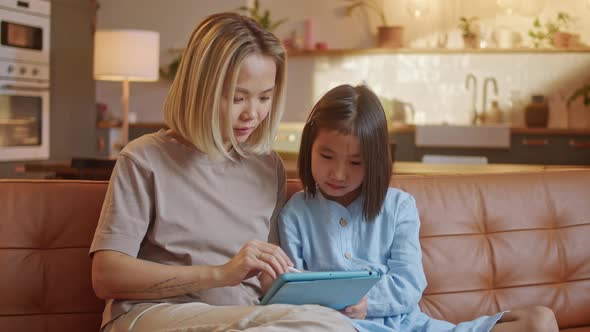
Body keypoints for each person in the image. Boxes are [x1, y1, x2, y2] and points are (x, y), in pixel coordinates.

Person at [90, 13, 361, 332]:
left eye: (265, 97)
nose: (253, 113)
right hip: (152, 315)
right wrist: (221, 273)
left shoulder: (266, 165)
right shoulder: (144, 158)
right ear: (199, 88)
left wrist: (326, 297)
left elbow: (267, 274)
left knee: (334, 323)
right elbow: (106, 277)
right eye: (237, 98)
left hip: (240, 319)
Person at [278, 84, 559, 332]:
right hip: (339, 327)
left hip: (411, 326)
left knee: (540, 320)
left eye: (355, 162)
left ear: (376, 160)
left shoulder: (399, 206)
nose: (338, 174)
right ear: (309, 148)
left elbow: (409, 284)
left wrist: (367, 301)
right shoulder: (296, 213)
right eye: (327, 156)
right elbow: (294, 291)